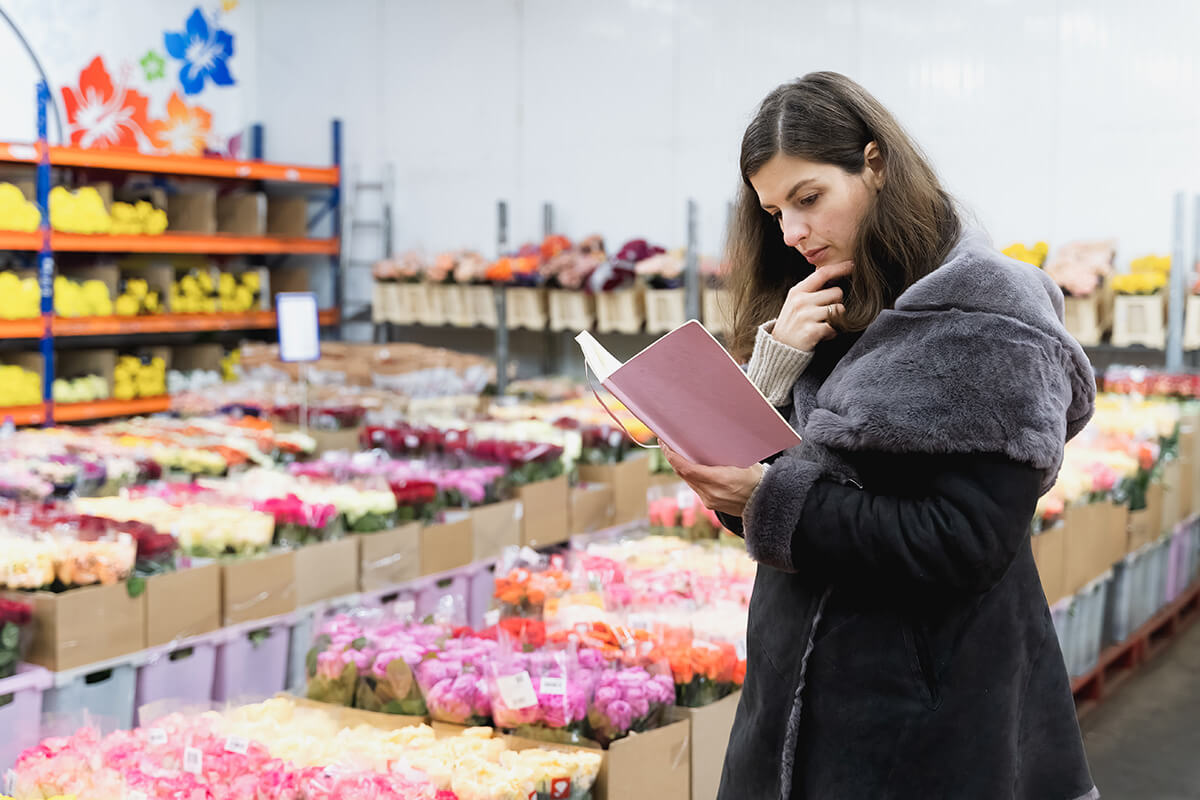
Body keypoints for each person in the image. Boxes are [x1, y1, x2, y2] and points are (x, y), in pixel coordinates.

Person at [660, 72, 1098, 800]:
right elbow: (754, 501)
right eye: (773, 211)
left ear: (875, 163)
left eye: (809, 198)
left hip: (927, 706)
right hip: (786, 691)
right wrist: (770, 371)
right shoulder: (823, 298)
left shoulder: (989, 316)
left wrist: (772, 498)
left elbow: (965, 540)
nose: (792, 231)